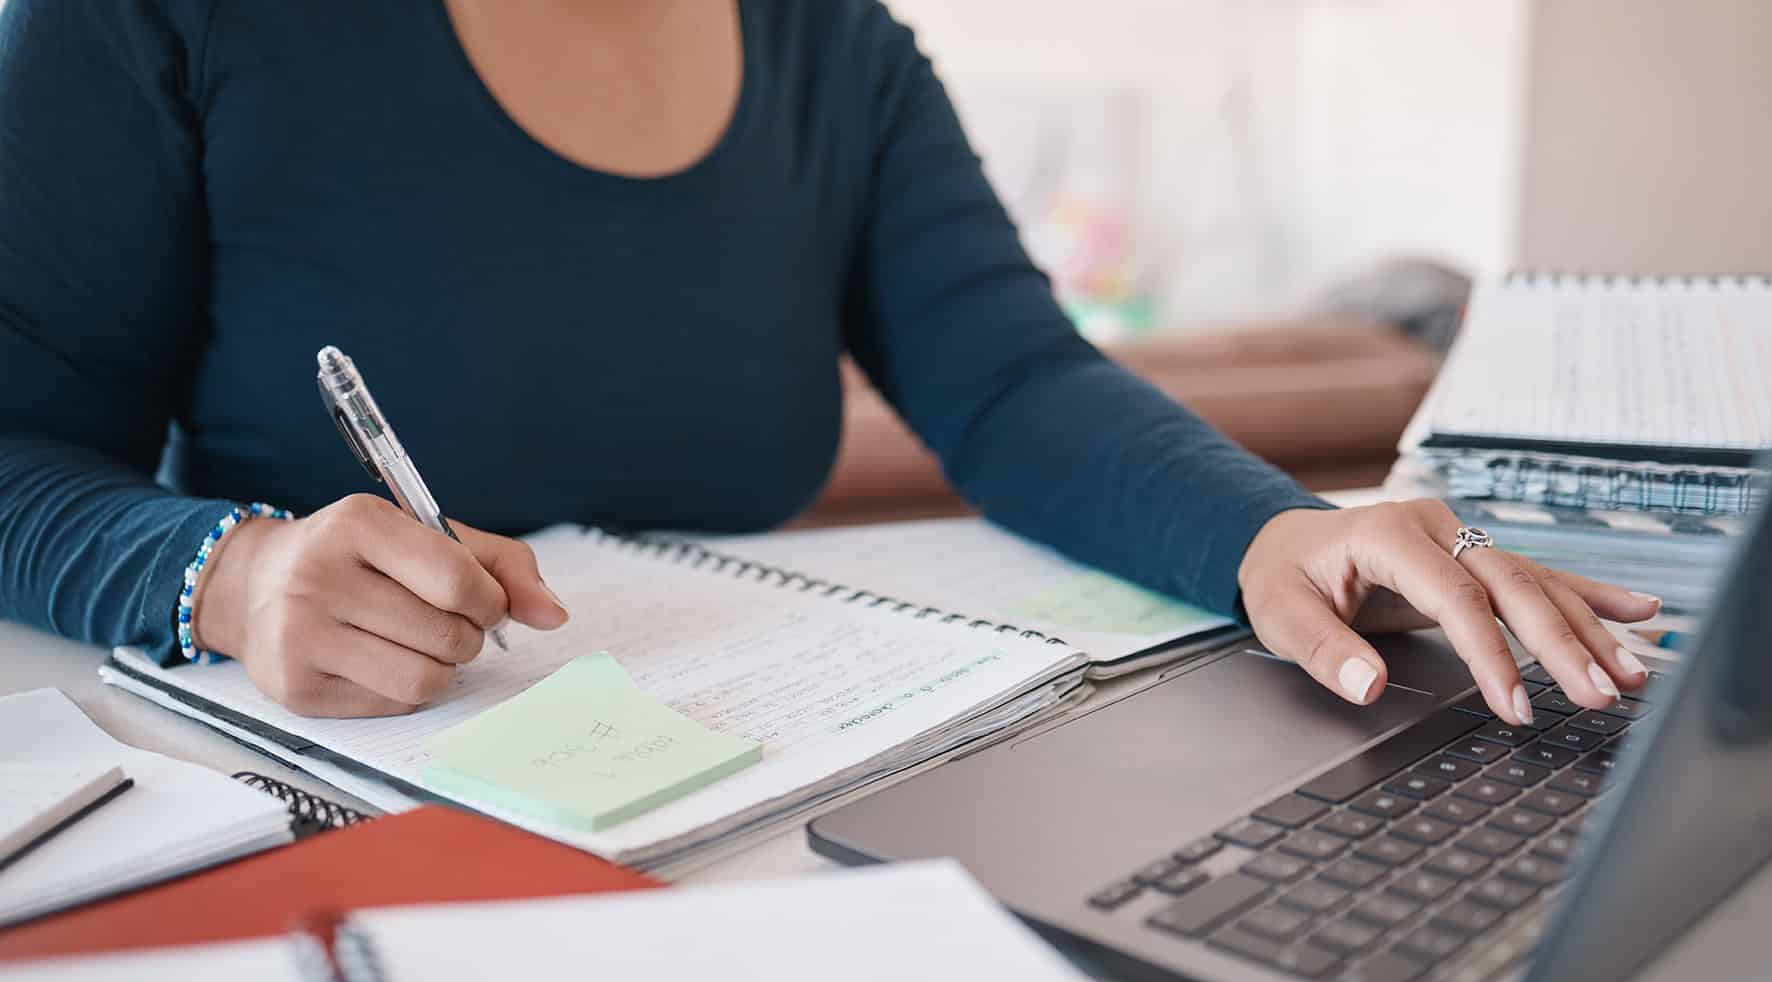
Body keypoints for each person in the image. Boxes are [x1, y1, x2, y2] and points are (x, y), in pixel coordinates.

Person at [0, 0, 1656, 723]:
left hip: (741, 796)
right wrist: (229, 574)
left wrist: (1273, 531)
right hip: (332, 798)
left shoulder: (835, 48)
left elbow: (1011, 383)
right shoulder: (163, 12)